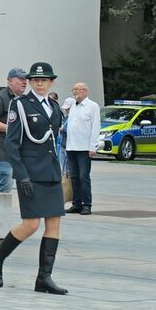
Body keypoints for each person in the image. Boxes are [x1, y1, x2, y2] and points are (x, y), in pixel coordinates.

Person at [0, 61, 69, 294]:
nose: (40, 83)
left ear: (51, 82)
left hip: (50, 171)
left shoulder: (53, 106)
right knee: (31, 224)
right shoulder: (19, 105)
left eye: (45, 80)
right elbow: (12, 143)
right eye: (36, 80)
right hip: (30, 172)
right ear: (30, 82)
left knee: (54, 223)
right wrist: (21, 176)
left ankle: (44, 278)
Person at [62, 82, 101, 214]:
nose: (74, 93)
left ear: (85, 91)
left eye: (77, 90)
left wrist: (92, 147)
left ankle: (87, 204)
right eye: (73, 90)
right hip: (71, 147)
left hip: (84, 148)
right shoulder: (73, 106)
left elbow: (95, 127)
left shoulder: (92, 106)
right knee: (74, 177)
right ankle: (76, 203)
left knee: (84, 177)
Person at [0, 69, 27, 194]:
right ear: (10, 81)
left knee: (1, 185)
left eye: (25, 79)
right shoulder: (0, 98)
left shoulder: (23, 99)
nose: (24, 82)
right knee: (4, 186)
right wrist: (11, 129)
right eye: (20, 79)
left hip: (16, 151)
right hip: (2, 152)